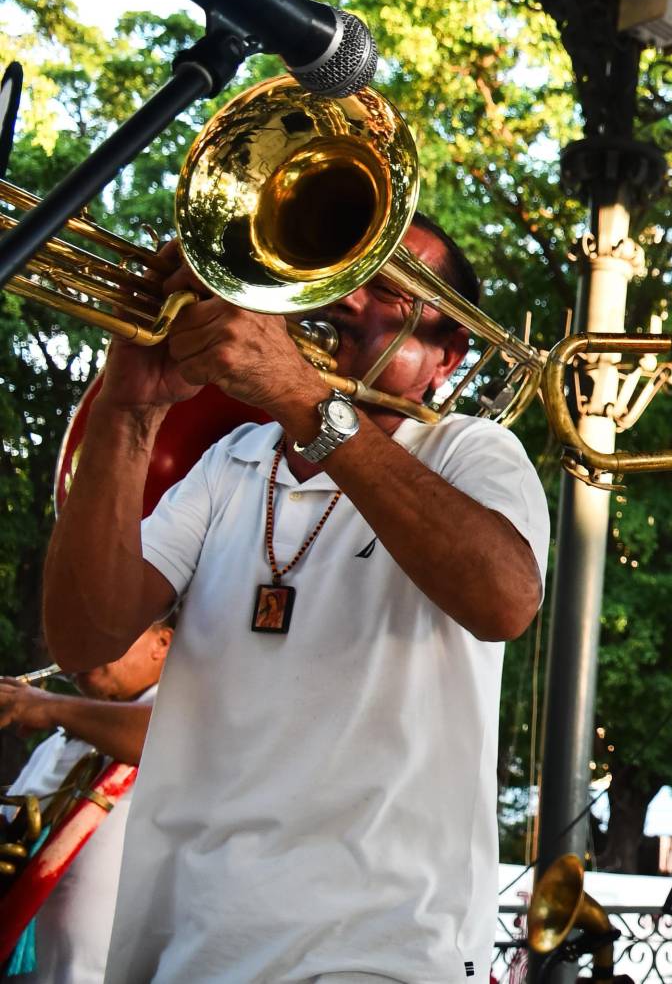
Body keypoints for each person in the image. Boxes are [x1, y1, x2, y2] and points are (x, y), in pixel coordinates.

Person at [41, 214, 549, 983]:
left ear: (447, 357)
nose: (347, 297)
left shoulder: (469, 452)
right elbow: (84, 637)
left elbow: (505, 599)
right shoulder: (229, 463)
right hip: (191, 945)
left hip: (384, 953)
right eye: (339, 274)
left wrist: (299, 394)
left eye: (389, 289)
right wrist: (128, 410)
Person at [0, 623, 169, 984]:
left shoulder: (181, 722)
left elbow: (166, 732)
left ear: (162, 642)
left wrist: (47, 706)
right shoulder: (54, 745)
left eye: (107, 631)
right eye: (76, 632)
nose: (82, 646)